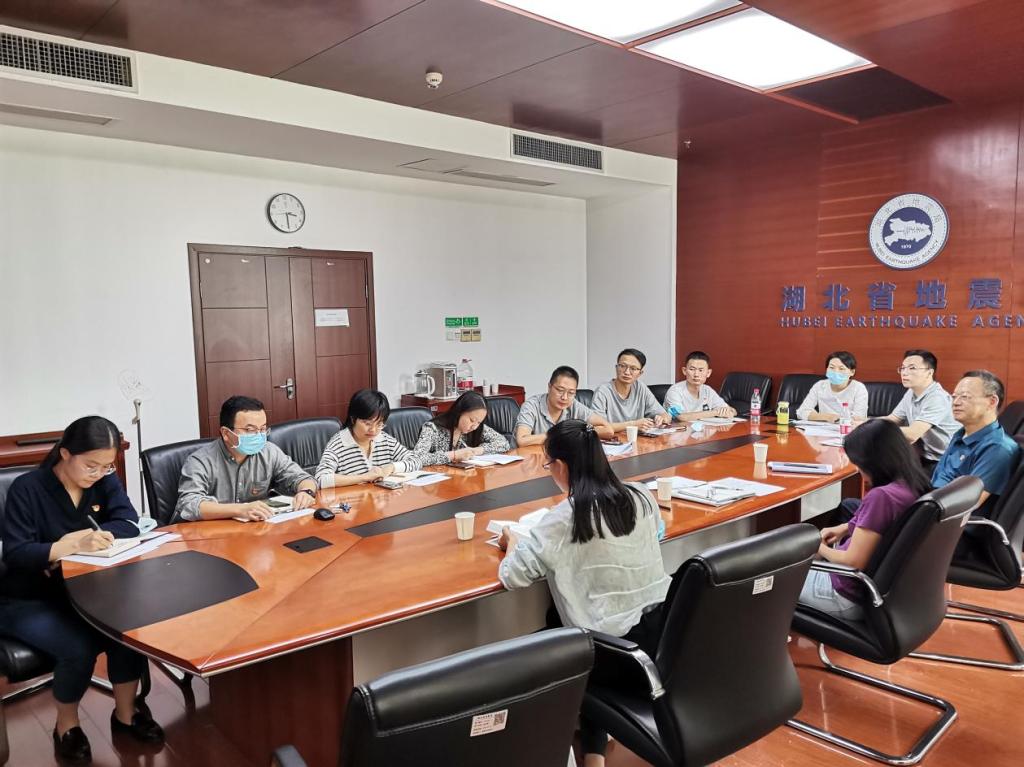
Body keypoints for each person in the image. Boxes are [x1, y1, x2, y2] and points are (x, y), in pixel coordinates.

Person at [497, 419, 670, 767]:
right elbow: (658, 534)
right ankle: (594, 755)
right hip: (659, 642)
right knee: (580, 620)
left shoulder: (565, 518)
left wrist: (512, 542)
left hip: (609, 656)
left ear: (561, 466)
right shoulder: (640, 496)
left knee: (562, 637)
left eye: (549, 465)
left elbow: (513, 575)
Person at [0, 417, 164, 763]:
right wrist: (68, 545)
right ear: (65, 454)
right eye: (91, 465)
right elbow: (16, 553)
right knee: (78, 648)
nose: (99, 473)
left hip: (86, 590)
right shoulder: (27, 489)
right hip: (28, 598)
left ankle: (126, 714)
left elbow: (129, 522)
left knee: (126, 629)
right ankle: (67, 726)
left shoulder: (103, 480)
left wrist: (86, 540)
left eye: (106, 466)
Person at [800, 418, 931, 619]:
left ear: (874, 462)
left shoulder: (881, 497)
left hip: (843, 593)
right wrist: (845, 527)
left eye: (859, 465)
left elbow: (852, 561)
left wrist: (816, 545)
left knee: (763, 579)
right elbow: (883, 524)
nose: (859, 471)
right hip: (878, 591)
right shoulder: (913, 483)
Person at [175, 396, 317, 522]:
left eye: (262, 429)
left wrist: (306, 492)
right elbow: (189, 504)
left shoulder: (268, 452)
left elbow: (302, 478)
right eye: (250, 430)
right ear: (226, 433)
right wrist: (239, 510)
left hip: (253, 531)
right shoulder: (200, 461)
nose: (259, 435)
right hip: (208, 534)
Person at [931, 370, 1019, 517]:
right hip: (932, 502)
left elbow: (966, 505)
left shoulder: (997, 448)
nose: (956, 402)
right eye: (954, 396)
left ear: (992, 402)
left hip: (949, 522)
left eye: (965, 397)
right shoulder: (961, 434)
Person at [316, 389, 422, 487]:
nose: (373, 430)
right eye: (367, 423)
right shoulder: (339, 443)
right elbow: (321, 479)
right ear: (353, 419)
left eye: (379, 424)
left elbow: (416, 460)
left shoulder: (384, 439)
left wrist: (391, 467)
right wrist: (364, 477)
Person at [882, 349, 959, 472]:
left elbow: (912, 434)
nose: (904, 373)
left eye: (912, 368)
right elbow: (893, 419)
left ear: (929, 372)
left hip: (946, 461)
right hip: (924, 456)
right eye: (903, 368)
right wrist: (864, 423)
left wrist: (876, 428)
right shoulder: (911, 392)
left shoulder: (937, 398)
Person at [515, 366, 613, 447]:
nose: (564, 397)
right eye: (560, 390)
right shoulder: (532, 405)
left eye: (571, 393)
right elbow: (522, 440)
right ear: (549, 387)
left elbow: (608, 430)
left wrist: (577, 432)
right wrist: (560, 434)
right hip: (526, 460)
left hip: (555, 458)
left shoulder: (574, 405)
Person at [412, 390, 510, 466]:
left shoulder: (476, 427)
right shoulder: (432, 428)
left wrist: (476, 451)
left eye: (479, 422)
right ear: (459, 412)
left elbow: (503, 443)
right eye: (471, 420)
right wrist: (453, 455)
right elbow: (417, 458)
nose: (474, 427)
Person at [590, 348, 670, 432]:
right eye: (622, 366)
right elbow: (598, 428)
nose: (627, 372)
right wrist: (633, 425)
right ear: (616, 367)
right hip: (612, 439)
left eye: (633, 368)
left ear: (640, 373)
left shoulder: (641, 388)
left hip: (638, 438)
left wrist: (662, 419)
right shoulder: (603, 391)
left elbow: (665, 415)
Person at [796, 351, 869, 422]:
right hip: (823, 428)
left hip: (848, 428)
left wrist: (840, 420)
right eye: (831, 367)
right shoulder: (820, 386)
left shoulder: (859, 388)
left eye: (841, 368)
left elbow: (859, 418)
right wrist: (826, 417)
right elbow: (801, 412)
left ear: (852, 372)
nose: (836, 372)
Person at [664, 351, 737, 421]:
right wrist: (715, 412)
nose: (696, 374)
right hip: (679, 428)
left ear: (708, 373)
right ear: (684, 371)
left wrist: (729, 411)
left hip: (703, 428)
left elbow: (732, 411)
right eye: (692, 369)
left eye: (701, 370)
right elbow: (680, 416)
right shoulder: (674, 391)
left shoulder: (708, 390)